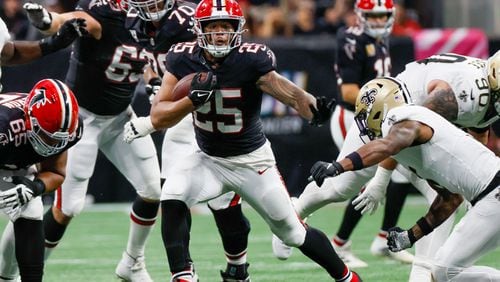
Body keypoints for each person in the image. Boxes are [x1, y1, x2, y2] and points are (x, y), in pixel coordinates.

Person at [121, 0, 362, 281]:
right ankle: (183, 276)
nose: (220, 34)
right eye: (213, 27)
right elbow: (159, 115)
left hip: (251, 162)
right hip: (208, 158)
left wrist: (312, 108)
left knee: (292, 232)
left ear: (238, 30)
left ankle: (347, 277)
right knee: (173, 194)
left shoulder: (251, 59)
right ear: (199, 30)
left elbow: (290, 93)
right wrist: (190, 100)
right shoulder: (182, 58)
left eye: (227, 27)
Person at [273, 51, 500, 282]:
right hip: (388, 107)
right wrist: (379, 179)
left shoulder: (484, 93)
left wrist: (475, 193)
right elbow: (401, 138)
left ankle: (423, 274)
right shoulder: (461, 92)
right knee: (339, 188)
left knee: (444, 194)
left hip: (406, 126)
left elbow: (477, 134)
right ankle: (294, 213)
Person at [21, 1, 162, 281]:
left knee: (152, 191)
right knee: (68, 207)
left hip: (121, 117)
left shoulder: (150, 21)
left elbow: (142, 54)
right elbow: (73, 20)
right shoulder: (105, 13)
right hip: (83, 120)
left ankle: (132, 262)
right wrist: (48, 19)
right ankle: (27, 272)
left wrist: (153, 78)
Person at [272, 0, 413, 267]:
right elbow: (348, 91)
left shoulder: (382, 41)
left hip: (379, 118)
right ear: (360, 15)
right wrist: (384, 100)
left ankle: (382, 238)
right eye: (374, 16)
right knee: (345, 185)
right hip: (355, 117)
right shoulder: (352, 39)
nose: (380, 22)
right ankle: (302, 218)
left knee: (406, 172)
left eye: (384, 16)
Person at [121, 0, 255, 279]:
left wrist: (182, 87)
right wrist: (155, 80)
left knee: (224, 205)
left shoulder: (188, 18)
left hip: (211, 115)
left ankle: (238, 265)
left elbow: (221, 57)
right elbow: (146, 57)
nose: (150, 5)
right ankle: (183, 273)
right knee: (173, 198)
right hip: (180, 121)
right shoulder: (134, 19)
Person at [0, 79, 82, 282]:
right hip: (6, 151)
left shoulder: (67, 129)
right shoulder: (4, 127)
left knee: (31, 207)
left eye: (58, 140)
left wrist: (34, 187)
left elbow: (56, 173)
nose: (52, 145)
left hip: (12, 160)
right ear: (29, 119)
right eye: (47, 136)